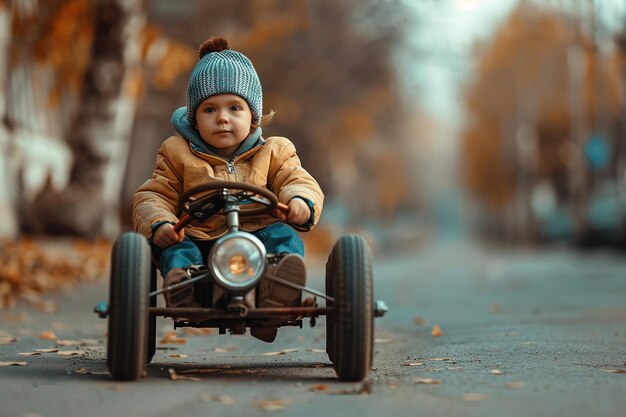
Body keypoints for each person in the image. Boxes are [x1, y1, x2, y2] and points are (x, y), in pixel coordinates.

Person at [132, 37, 324, 340]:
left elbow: (296, 179)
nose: (222, 118)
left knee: (283, 236)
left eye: (235, 107)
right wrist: (161, 224)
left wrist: (299, 201)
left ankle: (278, 289)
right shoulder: (176, 152)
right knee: (176, 248)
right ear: (194, 118)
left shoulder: (275, 150)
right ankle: (185, 288)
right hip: (201, 241)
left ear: (253, 117)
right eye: (209, 110)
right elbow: (154, 194)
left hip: (257, 242)